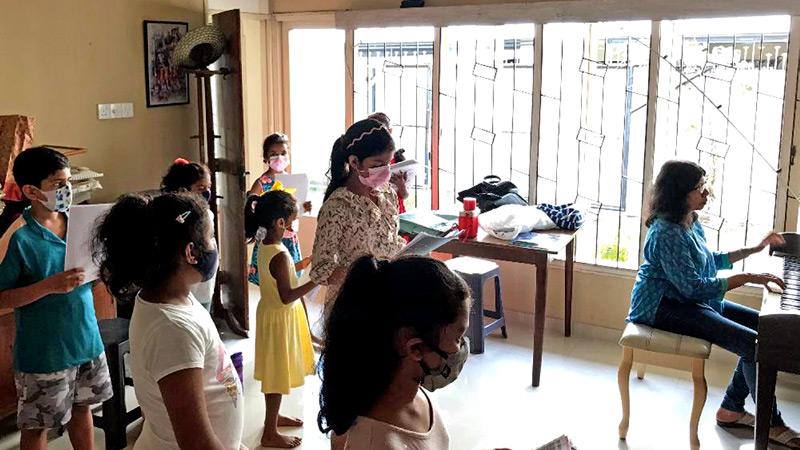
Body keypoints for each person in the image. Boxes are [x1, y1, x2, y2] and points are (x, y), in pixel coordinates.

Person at [627, 160, 800, 448]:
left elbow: (711, 261)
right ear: (680, 192)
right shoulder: (667, 232)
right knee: (754, 344)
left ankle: (731, 409)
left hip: (686, 300)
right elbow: (693, 288)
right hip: (662, 307)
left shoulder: (689, 221)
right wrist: (747, 277)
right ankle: (771, 423)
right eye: (700, 189)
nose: (706, 194)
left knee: (766, 331)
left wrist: (755, 248)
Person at [93, 192, 245, 450]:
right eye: (209, 237)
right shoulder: (172, 330)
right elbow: (196, 442)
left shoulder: (174, 299)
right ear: (191, 252)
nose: (213, 245)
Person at [0, 146, 111, 450]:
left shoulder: (79, 221)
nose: (67, 190)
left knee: (82, 409)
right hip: (45, 352)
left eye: (68, 183)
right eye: (57, 185)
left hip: (85, 338)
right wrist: (48, 286)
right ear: (31, 191)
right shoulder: (18, 236)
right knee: (38, 426)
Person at [317, 256, 470, 449]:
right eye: (458, 338)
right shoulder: (374, 443)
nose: (461, 348)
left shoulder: (412, 389)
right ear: (415, 348)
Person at [244, 190, 342, 448]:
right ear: (279, 223)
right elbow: (287, 295)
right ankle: (269, 433)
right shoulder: (279, 254)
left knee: (278, 371)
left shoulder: (267, 247)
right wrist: (319, 280)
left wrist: (304, 266)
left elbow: (284, 278)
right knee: (276, 375)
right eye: (291, 221)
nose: (292, 225)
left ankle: (273, 419)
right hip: (280, 316)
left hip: (273, 314)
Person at [310, 118, 407, 309]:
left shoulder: (387, 194)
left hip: (388, 296)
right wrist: (365, 276)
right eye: (378, 163)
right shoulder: (337, 206)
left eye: (388, 163)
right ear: (354, 162)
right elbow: (321, 269)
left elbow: (390, 242)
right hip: (352, 305)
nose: (386, 171)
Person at [247, 133, 311, 285]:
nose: (279, 158)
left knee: (291, 276)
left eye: (283, 153)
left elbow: (294, 209)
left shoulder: (293, 181)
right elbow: (250, 206)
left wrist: (303, 207)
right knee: (271, 277)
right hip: (269, 235)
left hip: (289, 234)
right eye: (273, 154)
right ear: (266, 158)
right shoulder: (262, 182)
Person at [161, 158, 216, 311]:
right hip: (189, 278)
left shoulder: (207, 214)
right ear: (184, 189)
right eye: (200, 187)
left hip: (204, 279)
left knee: (204, 308)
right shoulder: (179, 218)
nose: (207, 192)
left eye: (208, 187)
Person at [367, 112, 410, 213]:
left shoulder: (398, 160)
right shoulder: (365, 161)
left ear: (390, 131)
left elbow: (405, 195)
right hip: (375, 213)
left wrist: (401, 186)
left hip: (397, 214)